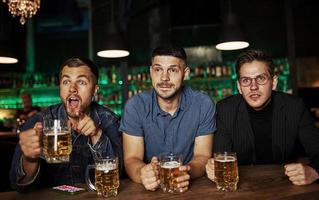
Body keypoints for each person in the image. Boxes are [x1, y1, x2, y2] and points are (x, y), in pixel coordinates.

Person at [206, 49, 319, 185]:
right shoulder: (225, 109)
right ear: (239, 86)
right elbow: (221, 157)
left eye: (261, 78)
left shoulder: (294, 107)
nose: (254, 86)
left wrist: (313, 171)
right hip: (241, 189)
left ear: (274, 82)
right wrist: (213, 168)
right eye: (246, 80)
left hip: (286, 185)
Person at [10, 57, 122, 192]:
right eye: (66, 81)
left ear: (95, 90)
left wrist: (97, 134)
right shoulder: (38, 122)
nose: (72, 89)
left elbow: (118, 175)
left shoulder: (109, 120)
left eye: (81, 82)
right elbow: (18, 186)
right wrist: (30, 159)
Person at [120, 46, 216, 192]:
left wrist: (186, 171)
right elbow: (131, 159)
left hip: (192, 190)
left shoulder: (203, 104)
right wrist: (143, 173)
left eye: (173, 70)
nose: (164, 78)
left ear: (185, 73)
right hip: (148, 191)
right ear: (151, 72)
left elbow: (202, 156)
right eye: (158, 70)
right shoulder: (135, 106)